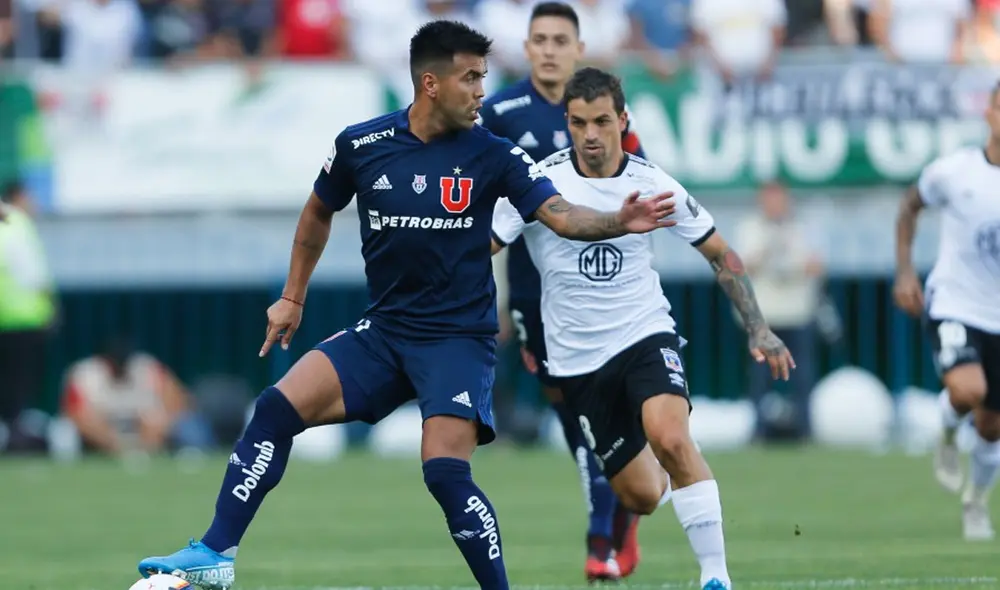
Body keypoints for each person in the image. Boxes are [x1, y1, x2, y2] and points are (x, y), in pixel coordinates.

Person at [136, 20, 677, 590]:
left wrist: (617, 220)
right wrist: (292, 297)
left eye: (484, 77)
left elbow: (561, 214)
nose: (480, 92)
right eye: (470, 78)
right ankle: (217, 553)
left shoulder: (494, 155)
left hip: (457, 343)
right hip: (386, 333)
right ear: (430, 83)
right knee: (273, 409)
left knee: (444, 473)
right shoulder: (362, 145)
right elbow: (318, 210)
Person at [491, 67, 796, 590]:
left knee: (672, 437)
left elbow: (721, 255)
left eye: (602, 121)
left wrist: (759, 328)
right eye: (580, 122)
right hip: (577, 361)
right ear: (566, 122)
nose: (591, 135)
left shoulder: (652, 184)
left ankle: (716, 577)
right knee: (642, 496)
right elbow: (480, 249)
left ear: (623, 120)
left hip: (643, 334)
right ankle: (669, 490)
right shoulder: (537, 184)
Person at [476, 1, 645, 579]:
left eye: (559, 39)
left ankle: (605, 529)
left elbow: (638, 183)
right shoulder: (499, 112)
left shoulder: (599, 111)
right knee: (573, 411)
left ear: (579, 48)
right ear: (525, 48)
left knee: (610, 409)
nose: (548, 49)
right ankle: (614, 509)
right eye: (539, 39)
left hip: (604, 289)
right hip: (533, 291)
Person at [893, 82, 1000, 542]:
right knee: (967, 387)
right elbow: (908, 208)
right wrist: (904, 272)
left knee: (992, 426)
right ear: (989, 111)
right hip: (956, 301)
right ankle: (947, 430)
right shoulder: (954, 172)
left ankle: (976, 503)